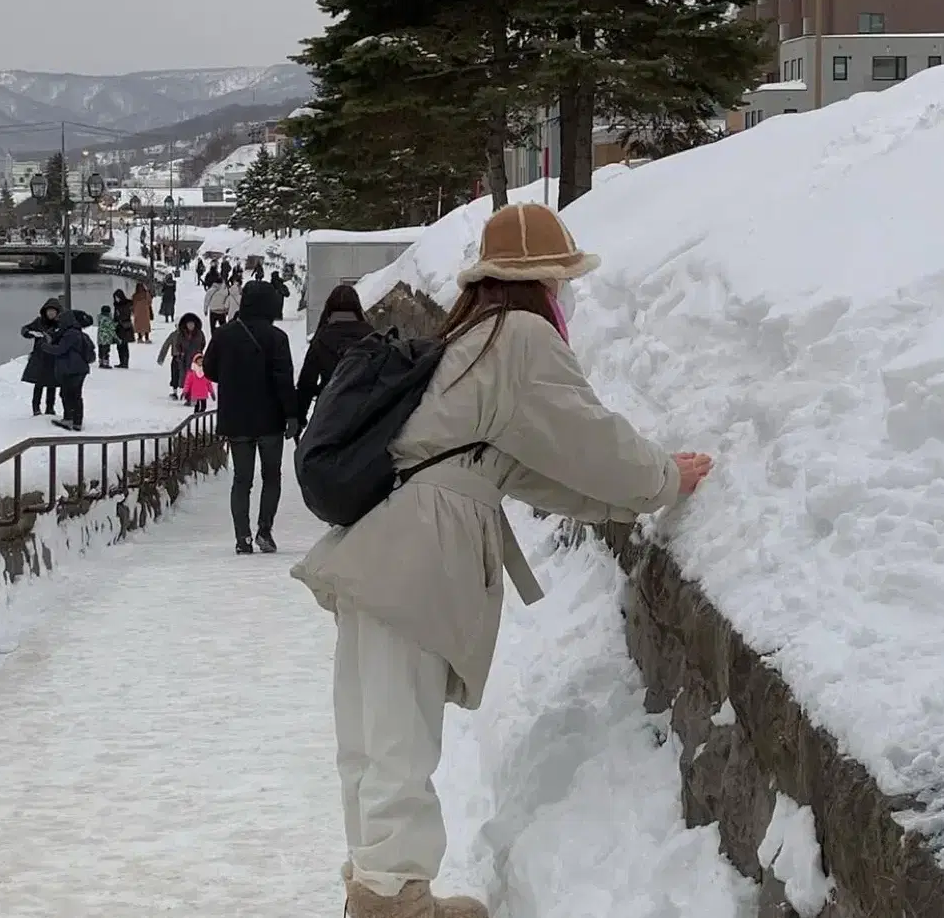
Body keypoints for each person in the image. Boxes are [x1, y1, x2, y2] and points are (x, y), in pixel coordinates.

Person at [291, 204, 712, 918]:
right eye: (563, 282)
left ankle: (380, 884)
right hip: (417, 554)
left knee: (372, 733)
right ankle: (394, 899)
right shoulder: (520, 339)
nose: (567, 297)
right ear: (544, 281)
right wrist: (661, 480)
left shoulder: (472, 339)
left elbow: (515, 469)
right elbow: (590, 438)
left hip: (382, 542)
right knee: (399, 738)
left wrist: (621, 505)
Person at [203, 281, 299, 555]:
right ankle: (264, 531)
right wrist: (292, 414)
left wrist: (232, 377)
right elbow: (284, 380)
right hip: (270, 419)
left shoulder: (223, 335)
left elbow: (209, 370)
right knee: (271, 476)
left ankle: (242, 537)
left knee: (242, 479)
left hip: (237, 418)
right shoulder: (277, 338)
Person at [296, 285, 373, 429]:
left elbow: (307, 382)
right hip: (365, 414)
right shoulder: (372, 336)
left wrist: (300, 418)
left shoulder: (321, 338)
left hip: (329, 412)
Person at [41, 308, 95, 431]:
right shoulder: (77, 333)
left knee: (67, 394)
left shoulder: (70, 334)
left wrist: (45, 346)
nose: (59, 324)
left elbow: (60, 350)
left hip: (71, 369)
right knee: (75, 395)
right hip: (79, 369)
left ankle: (69, 419)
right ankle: (76, 421)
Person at [20, 297, 62, 416]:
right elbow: (24, 329)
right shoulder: (39, 322)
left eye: (53, 312)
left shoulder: (60, 324)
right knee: (39, 384)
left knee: (52, 385)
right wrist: (30, 333)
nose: (51, 314)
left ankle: (50, 408)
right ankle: (36, 408)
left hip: (53, 357)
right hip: (40, 358)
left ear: (57, 312)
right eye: (49, 311)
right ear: (45, 311)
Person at [157, 312, 206, 400]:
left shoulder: (197, 334)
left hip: (192, 358)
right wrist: (162, 357)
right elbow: (166, 345)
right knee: (176, 375)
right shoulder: (177, 335)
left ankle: (191, 393)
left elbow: (203, 343)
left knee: (191, 375)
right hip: (178, 358)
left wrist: (199, 352)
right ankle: (178, 392)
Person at [112, 289, 135, 367]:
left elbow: (126, 314)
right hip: (119, 327)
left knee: (124, 345)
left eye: (117, 297)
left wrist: (120, 317)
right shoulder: (116, 305)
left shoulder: (126, 304)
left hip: (125, 326)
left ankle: (125, 362)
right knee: (119, 345)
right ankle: (122, 362)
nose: (116, 299)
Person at [96, 304, 117, 369]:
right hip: (106, 338)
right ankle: (105, 363)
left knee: (100, 350)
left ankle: (101, 362)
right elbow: (111, 328)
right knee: (106, 351)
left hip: (100, 338)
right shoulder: (108, 319)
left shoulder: (100, 318)